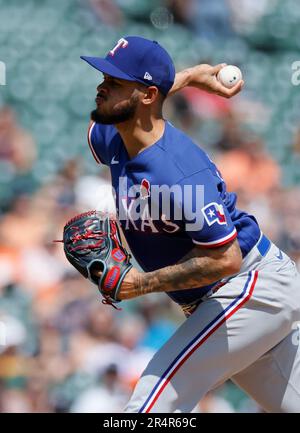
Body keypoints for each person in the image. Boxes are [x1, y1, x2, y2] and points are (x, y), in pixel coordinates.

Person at [80, 36, 300, 413]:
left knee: (148, 406)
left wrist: (140, 285)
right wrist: (192, 75)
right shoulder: (116, 135)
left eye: (114, 82)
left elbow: (225, 259)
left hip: (251, 286)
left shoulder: (178, 171)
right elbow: (147, 97)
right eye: (104, 76)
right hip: (229, 299)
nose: (101, 87)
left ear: (146, 95)